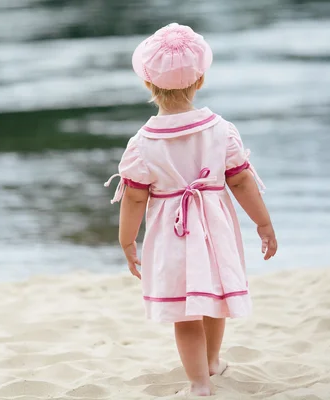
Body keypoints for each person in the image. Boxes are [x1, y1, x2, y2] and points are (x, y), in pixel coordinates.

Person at [104, 23, 278, 397]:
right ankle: (212, 361)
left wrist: (127, 241)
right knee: (214, 298)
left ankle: (200, 382)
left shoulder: (142, 143)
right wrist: (263, 223)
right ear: (199, 80)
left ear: (148, 85)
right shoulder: (221, 130)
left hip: (172, 234)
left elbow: (134, 196)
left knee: (184, 313)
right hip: (213, 228)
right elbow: (241, 181)